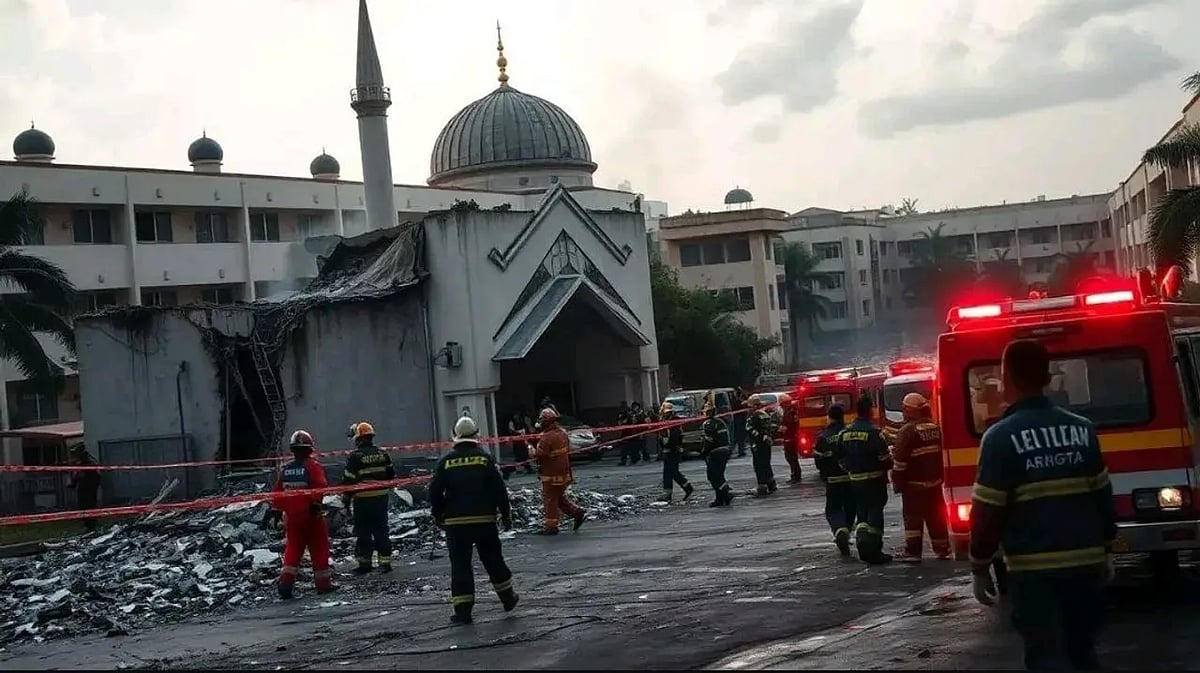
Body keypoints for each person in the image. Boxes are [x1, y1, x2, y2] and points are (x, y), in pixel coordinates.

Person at [969, 339, 1115, 670]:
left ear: (1005, 378)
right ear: (1048, 377)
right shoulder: (1083, 430)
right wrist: (1107, 549)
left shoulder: (999, 438)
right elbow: (1102, 497)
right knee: (1083, 651)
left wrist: (979, 565)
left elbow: (988, 513)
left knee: (1046, 654)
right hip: (1086, 566)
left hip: (1034, 573)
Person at [429, 415, 519, 625]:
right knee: (493, 560)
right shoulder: (484, 459)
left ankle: (463, 612)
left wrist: (438, 514)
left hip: (456, 524)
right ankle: (508, 598)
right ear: (476, 435)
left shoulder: (446, 461)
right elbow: (499, 490)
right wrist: (505, 515)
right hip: (484, 521)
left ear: (455, 436)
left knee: (460, 565)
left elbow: (434, 491)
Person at [273, 430, 335, 599]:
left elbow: (277, 494)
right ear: (310, 449)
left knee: (293, 549)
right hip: (311, 516)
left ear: (293, 449)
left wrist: (278, 512)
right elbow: (321, 486)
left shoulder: (285, 469)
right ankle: (323, 585)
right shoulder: (312, 466)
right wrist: (315, 504)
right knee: (319, 548)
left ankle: (285, 584)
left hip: (292, 518)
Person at [891, 393, 951, 563]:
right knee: (936, 517)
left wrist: (898, 482)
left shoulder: (907, 431)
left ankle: (913, 551)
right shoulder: (935, 427)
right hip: (935, 483)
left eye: (904, 408)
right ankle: (942, 548)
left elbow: (900, 462)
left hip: (913, 485)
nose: (903, 411)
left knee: (913, 519)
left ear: (911, 410)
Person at [835, 395, 893, 565]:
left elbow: (838, 458)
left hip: (855, 482)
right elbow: (884, 458)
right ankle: (874, 551)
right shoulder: (875, 433)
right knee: (875, 514)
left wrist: (850, 470)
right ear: (870, 411)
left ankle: (862, 544)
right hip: (875, 481)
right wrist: (891, 464)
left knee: (861, 514)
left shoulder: (844, 433)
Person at [342, 421, 397, 574]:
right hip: (381, 499)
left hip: (363, 500)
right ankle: (385, 562)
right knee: (381, 530)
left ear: (359, 439)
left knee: (363, 531)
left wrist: (346, 500)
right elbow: (391, 475)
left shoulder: (355, 457)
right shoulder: (383, 454)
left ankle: (365, 564)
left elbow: (349, 480)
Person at [531, 407, 587, 535]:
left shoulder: (546, 437)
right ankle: (577, 512)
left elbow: (540, 454)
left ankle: (551, 526)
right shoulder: (562, 433)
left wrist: (530, 449)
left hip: (551, 474)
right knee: (558, 497)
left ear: (545, 421)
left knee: (550, 499)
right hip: (564, 472)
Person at [813, 405, 855, 556]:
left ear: (829, 417)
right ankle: (847, 529)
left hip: (832, 479)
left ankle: (839, 529)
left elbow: (818, 461)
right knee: (851, 507)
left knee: (834, 508)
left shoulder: (823, 437)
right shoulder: (849, 433)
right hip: (851, 478)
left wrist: (825, 474)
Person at [699, 398, 735, 507]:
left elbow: (709, 440)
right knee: (719, 475)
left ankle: (725, 495)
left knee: (713, 476)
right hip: (725, 450)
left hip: (716, 452)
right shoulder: (720, 421)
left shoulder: (709, 423)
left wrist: (703, 451)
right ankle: (721, 498)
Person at [657, 402, 695, 502]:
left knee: (671, 472)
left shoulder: (674, 421)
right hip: (667, 450)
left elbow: (674, 437)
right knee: (669, 472)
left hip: (673, 451)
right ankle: (670, 493)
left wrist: (671, 447)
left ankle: (687, 488)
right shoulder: (663, 421)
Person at [745, 395, 778, 496]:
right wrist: (768, 436)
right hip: (766, 444)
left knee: (759, 465)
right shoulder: (765, 414)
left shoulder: (754, 416)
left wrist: (758, 437)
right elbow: (772, 427)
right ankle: (771, 484)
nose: (748, 409)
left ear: (754, 406)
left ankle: (762, 487)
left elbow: (749, 429)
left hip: (758, 444)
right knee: (766, 464)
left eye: (750, 406)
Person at [67, 444, 101, 533]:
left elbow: (82, 475)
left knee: (88, 505)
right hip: (86, 488)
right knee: (86, 506)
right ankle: (89, 525)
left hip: (88, 488)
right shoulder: (84, 462)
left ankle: (91, 526)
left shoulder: (86, 462)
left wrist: (75, 482)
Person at [503, 408, 535, 481]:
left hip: (522, 440)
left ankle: (527, 468)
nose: (516, 416)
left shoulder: (521, 421)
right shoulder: (512, 422)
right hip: (516, 441)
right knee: (519, 455)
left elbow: (525, 428)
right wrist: (518, 433)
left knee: (525, 454)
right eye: (516, 415)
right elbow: (511, 430)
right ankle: (513, 469)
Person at [779, 394, 803, 483]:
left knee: (790, 457)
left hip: (790, 437)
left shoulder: (789, 412)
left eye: (781, 404)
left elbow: (788, 424)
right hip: (793, 436)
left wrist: (781, 429)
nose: (781, 406)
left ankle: (795, 475)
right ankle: (796, 474)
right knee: (793, 457)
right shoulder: (793, 410)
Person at [616, 401, 639, 466]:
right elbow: (620, 422)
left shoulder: (631, 413)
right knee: (624, 448)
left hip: (631, 433)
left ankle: (633, 459)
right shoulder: (622, 413)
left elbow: (634, 421)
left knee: (632, 447)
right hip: (625, 433)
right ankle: (624, 460)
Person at [731, 388, 748, 458]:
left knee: (740, 437)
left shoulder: (742, 401)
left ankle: (741, 451)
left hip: (741, 420)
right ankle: (737, 451)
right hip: (737, 421)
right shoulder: (736, 402)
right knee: (737, 437)